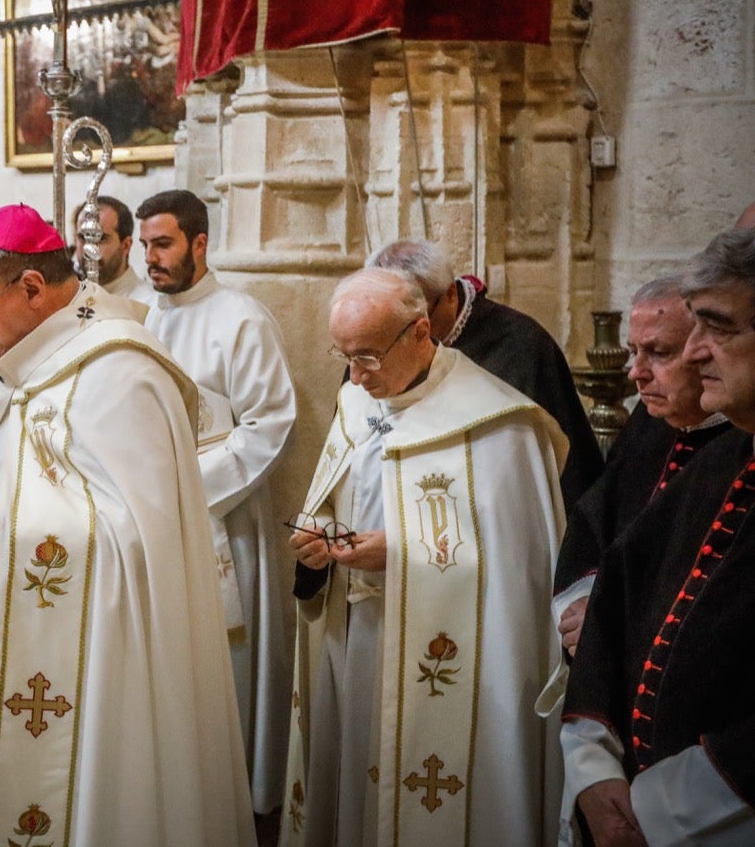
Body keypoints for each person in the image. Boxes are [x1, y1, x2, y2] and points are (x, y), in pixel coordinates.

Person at [0, 203, 254, 846]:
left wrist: (7, 534)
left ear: (33, 288)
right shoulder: (14, 356)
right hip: (2, 615)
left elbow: (145, 544)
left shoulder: (121, 369)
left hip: (103, 660)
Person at [282, 267, 566, 846]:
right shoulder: (355, 407)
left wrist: (402, 551)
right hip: (358, 638)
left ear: (418, 332)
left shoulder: (498, 425)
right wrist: (316, 550)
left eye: (367, 357)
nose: (356, 377)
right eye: (344, 357)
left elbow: (521, 570)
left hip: (445, 658)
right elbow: (331, 501)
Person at [562, 228, 755, 846]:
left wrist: (663, 804)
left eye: (718, 328)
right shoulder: (718, 467)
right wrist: (590, 764)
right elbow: (617, 587)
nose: (697, 354)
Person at [138, 188, 296, 830]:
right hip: (148, 513)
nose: (151, 257)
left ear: (200, 243)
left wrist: (182, 489)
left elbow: (269, 423)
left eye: (164, 243)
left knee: (229, 672)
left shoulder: (241, 318)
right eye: (144, 245)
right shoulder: (136, 316)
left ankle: (232, 811)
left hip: (221, 517)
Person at [552, 276, 735, 656]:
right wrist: (586, 601)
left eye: (659, 352)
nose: (637, 371)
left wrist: (609, 619)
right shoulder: (649, 425)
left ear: (705, 352)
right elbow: (595, 528)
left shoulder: (738, 444)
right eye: (634, 351)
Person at [369, 239, 604, 513]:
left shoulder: (521, 346)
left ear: (450, 296)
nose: (410, 336)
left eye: (419, 322)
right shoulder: (380, 339)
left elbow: (557, 472)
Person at [74, 194, 153, 304]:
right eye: (82, 237)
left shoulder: (147, 304)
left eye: (100, 238)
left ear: (126, 245)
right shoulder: (69, 299)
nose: (89, 249)